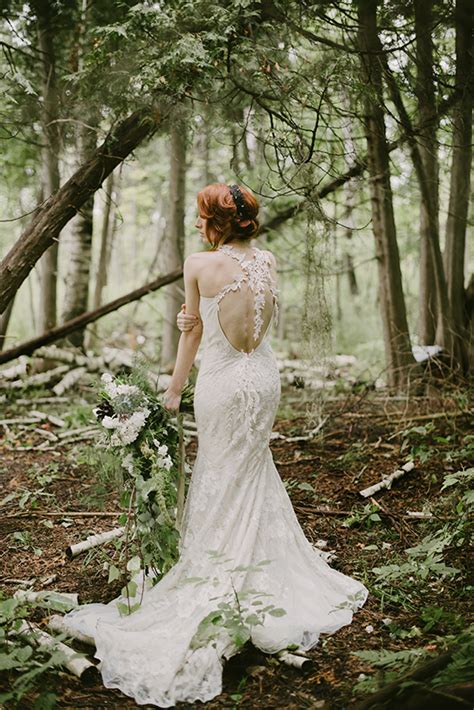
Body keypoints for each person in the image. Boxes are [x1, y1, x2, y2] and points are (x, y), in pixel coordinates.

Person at [61, 183, 368, 707]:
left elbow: (193, 332)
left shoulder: (199, 264)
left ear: (214, 221)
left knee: (220, 471)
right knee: (249, 469)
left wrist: (175, 389)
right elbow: (260, 322)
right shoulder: (267, 261)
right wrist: (195, 319)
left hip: (223, 384)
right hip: (263, 378)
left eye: (201, 214)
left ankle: (219, 570)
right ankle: (258, 568)